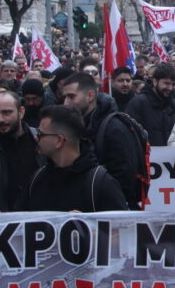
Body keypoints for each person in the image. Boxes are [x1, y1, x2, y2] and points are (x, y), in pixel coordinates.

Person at [61, 72, 149, 210]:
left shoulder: (114, 127)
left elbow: (124, 177)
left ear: (90, 96)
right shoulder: (75, 126)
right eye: (65, 97)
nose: (66, 103)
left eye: (71, 96)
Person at [17, 105, 128, 212]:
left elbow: (122, 227)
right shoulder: (37, 180)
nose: (36, 138)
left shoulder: (100, 183)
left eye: (40, 134)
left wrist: (88, 224)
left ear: (59, 140)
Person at [125, 63, 175, 147]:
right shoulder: (138, 103)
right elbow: (130, 135)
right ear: (155, 81)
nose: (170, 88)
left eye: (173, 84)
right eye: (166, 83)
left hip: (171, 158)